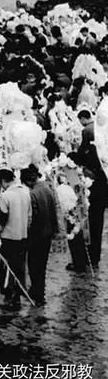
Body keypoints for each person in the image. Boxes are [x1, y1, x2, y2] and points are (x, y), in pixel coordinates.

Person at [0, 169, 32, 310]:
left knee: (5, 269)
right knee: (19, 268)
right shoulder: (26, 192)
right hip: (23, 236)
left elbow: (2, 219)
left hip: (8, 237)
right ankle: (17, 297)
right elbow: (29, 215)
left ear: (4, 181)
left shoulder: (6, 196)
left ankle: (8, 298)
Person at [22, 166, 58, 306]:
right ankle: (40, 291)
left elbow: (32, 218)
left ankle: (36, 291)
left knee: (33, 264)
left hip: (36, 234)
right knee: (42, 264)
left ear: (29, 181)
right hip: (47, 233)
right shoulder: (48, 189)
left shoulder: (33, 194)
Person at [77, 109, 108, 269]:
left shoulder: (88, 132)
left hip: (93, 185)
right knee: (98, 221)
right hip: (103, 185)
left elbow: (81, 156)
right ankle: (94, 255)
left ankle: (88, 255)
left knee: (88, 220)